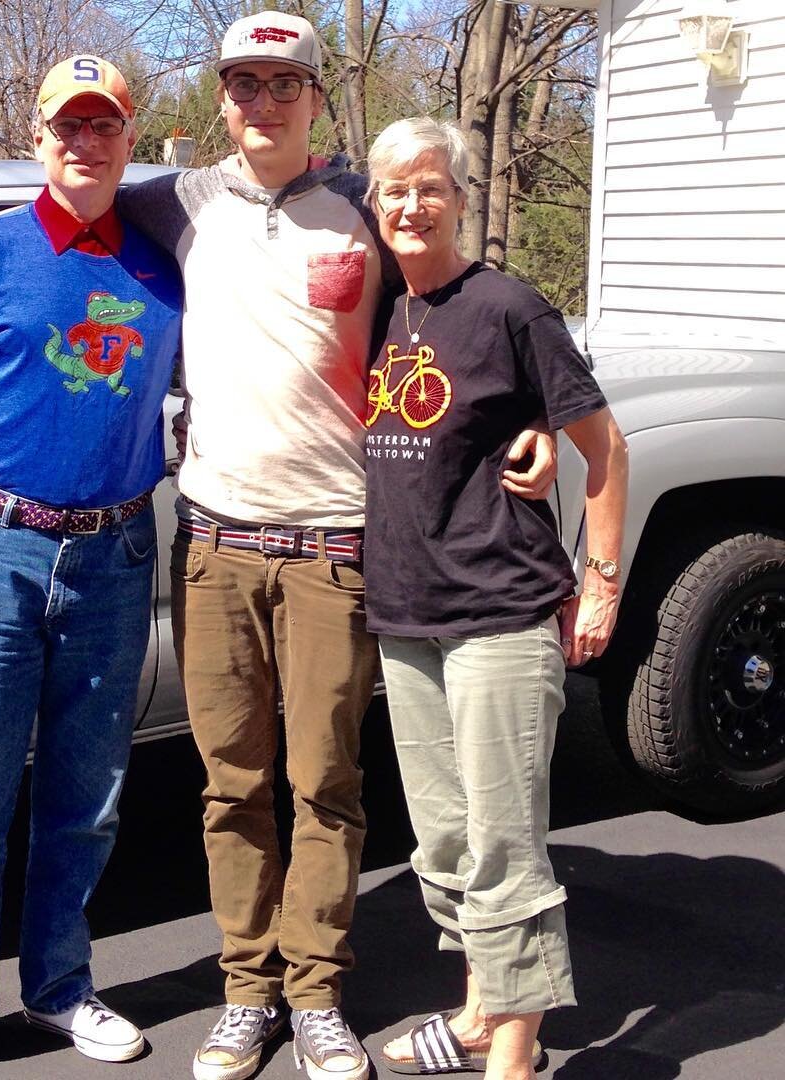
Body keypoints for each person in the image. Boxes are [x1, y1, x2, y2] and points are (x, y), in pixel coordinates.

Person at [0, 17, 556, 1080]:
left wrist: (536, 412)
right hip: (204, 545)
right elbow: (59, 207)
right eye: (244, 82)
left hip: (329, 543)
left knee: (323, 785)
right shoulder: (182, 202)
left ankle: (314, 997)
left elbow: (461, 299)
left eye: (284, 83)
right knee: (224, 789)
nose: (263, 100)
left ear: (315, 97)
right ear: (221, 99)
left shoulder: (364, 205)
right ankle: (240, 994)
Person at [0, 55, 181, 1080]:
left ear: (128, 139)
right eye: (67, 125)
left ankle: (59, 987)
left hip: (116, 553)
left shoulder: (166, 263)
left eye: (104, 125)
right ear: (37, 135)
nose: (84, 142)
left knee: (85, 800)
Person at [362, 117, 628, 1080]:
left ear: (462, 199)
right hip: (406, 615)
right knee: (444, 841)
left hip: (500, 612)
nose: (412, 205)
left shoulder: (509, 307)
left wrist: (601, 584)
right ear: (373, 203)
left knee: (506, 844)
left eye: (430, 187)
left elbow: (606, 446)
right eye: (395, 190)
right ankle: (480, 1012)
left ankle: (513, 1055)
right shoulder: (380, 310)